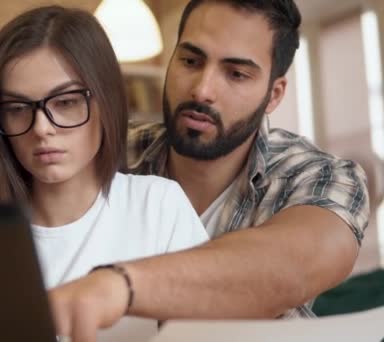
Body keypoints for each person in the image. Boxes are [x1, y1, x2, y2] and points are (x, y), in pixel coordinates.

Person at [48, 0, 370, 341]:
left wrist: (117, 286)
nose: (202, 90)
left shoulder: (319, 176)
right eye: (190, 61)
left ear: (274, 94)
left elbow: (288, 270)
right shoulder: (107, 152)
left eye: (236, 74)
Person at [0, 5, 208, 341]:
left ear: (106, 101)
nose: (41, 128)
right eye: (18, 109)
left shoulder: (158, 207)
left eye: (65, 102)